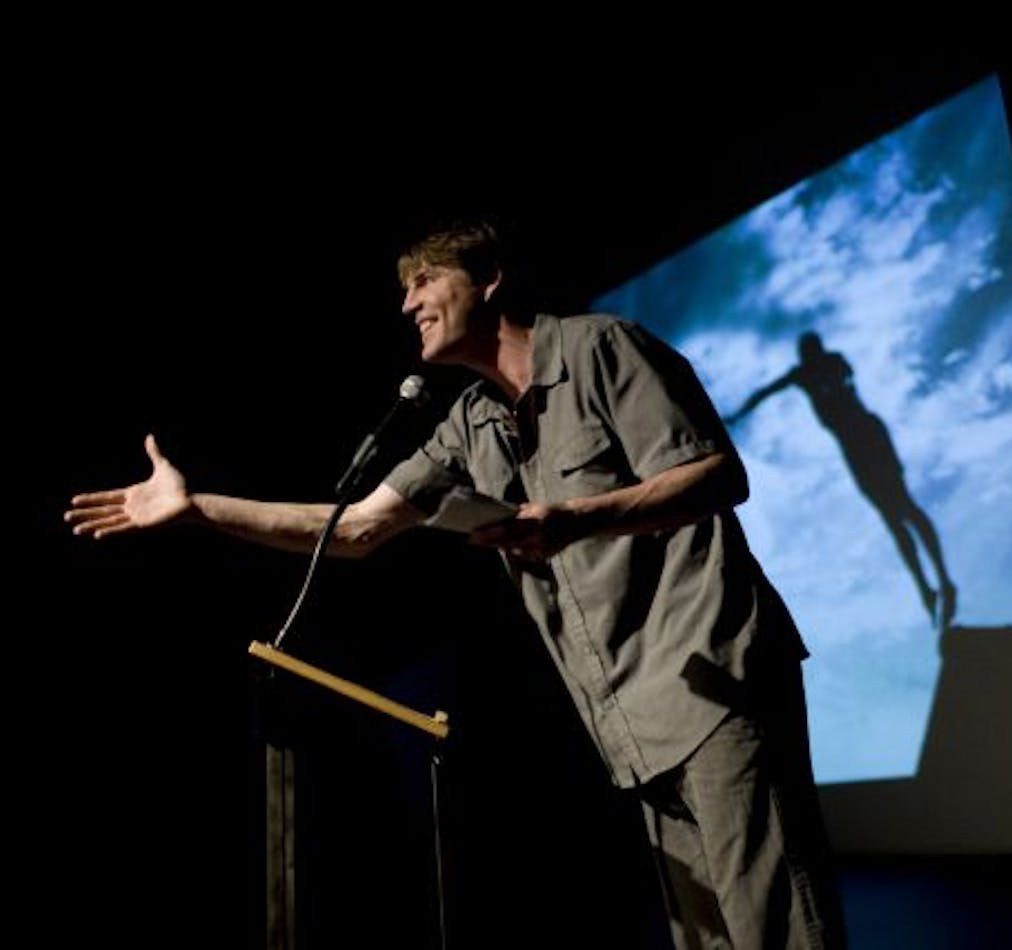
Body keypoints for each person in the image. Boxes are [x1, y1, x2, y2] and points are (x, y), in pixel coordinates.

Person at [65, 218, 847, 949]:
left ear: (491, 280)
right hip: (630, 725)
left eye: (426, 281)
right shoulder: (467, 425)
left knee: (775, 924)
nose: (407, 303)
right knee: (707, 935)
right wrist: (198, 507)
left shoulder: (604, 347)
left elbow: (716, 476)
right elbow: (355, 528)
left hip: (713, 678)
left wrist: (574, 517)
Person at [726, 331, 957, 633]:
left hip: (868, 436)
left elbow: (842, 380)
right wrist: (739, 414)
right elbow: (765, 392)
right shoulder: (806, 373)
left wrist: (818, 384)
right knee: (893, 517)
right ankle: (926, 587)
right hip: (855, 447)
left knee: (905, 508)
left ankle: (941, 580)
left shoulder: (829, 365)